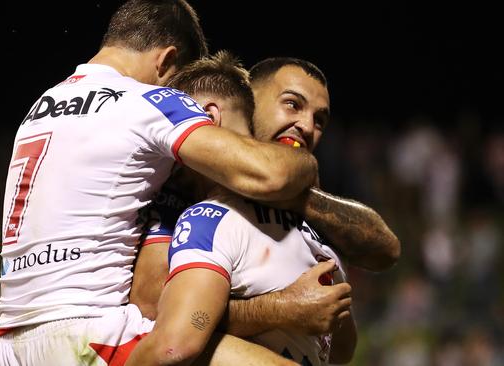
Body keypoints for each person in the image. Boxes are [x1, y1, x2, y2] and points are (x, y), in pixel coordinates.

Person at [0, 1, 329, 364]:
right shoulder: (151, 101)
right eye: (178, 82)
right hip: (89, 334)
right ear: (166, 61)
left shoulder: (42, 104)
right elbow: (269, 173)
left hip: (9, 342)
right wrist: (302, 160)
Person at [127, 57, 400, 365]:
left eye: (320, 120)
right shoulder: (190, 191)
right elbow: (156, 310)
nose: (308, 126)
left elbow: (385, 251)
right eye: (293, 105)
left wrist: (293, 197)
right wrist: (279, 309)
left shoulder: (305, 218)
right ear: (250, 102)